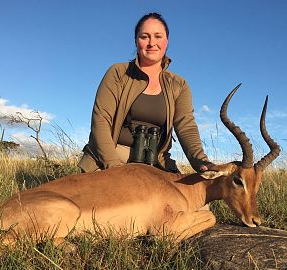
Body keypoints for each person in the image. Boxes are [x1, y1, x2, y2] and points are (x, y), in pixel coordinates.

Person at [78, 12, 214, 173]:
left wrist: (201, 162)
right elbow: (101, 120)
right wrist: (114, 168)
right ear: (136, 41)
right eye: (145, 37)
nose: (152, 43)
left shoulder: (179, 85)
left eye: (158, 36)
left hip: (157, 163)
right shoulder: (118, 73)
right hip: (113, 157)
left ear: (166, 41)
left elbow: (186, 126)